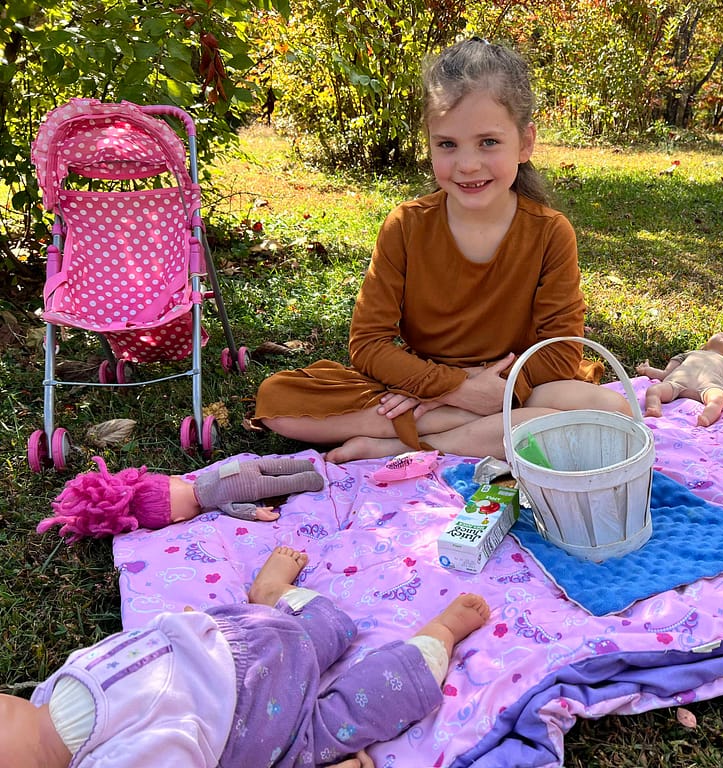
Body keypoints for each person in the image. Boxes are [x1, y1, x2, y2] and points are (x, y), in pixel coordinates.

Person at [254, 38, 629, 463]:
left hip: (518, 382)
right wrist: (455, 387)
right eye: (447, 144)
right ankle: (480, 427)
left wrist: (487, 388)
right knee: (280, 400)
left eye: (488, 142)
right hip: (423, 381)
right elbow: (368, 343)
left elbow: (560, 353)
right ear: (429, 143)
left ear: (525, 142)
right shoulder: (406, 225)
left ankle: (405, 443)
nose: (467, 164)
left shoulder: (549, 232)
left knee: (610, 411)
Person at [1, 545, 491, 767]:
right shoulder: (77, 714)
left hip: (245, 666)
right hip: (253, 685)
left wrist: (186, 629)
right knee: (344, 659)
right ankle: (439, 635)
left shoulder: (53, 692)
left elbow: (135, 645)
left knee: (343, 663)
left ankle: (272, 592)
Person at [36, 456, 325, 542]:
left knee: (278, 478)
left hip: (250, 483)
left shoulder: (212, 498)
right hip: (246, 468)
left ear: (178, 520)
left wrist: (255, 514)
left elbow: (235, 508)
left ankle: (307, 478)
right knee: (276, 468)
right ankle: (305, 469)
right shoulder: (202, 481)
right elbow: (236, 507)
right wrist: (255, 513)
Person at [635, 332, 723, 424]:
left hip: (709, 387)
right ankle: (653, 408)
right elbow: (665, 374)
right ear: (705, 346)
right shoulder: (691, 353)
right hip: (676, 383)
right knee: (654, 390)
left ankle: (706, 418)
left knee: (719, 398)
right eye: (722, 333)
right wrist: (647, 370)